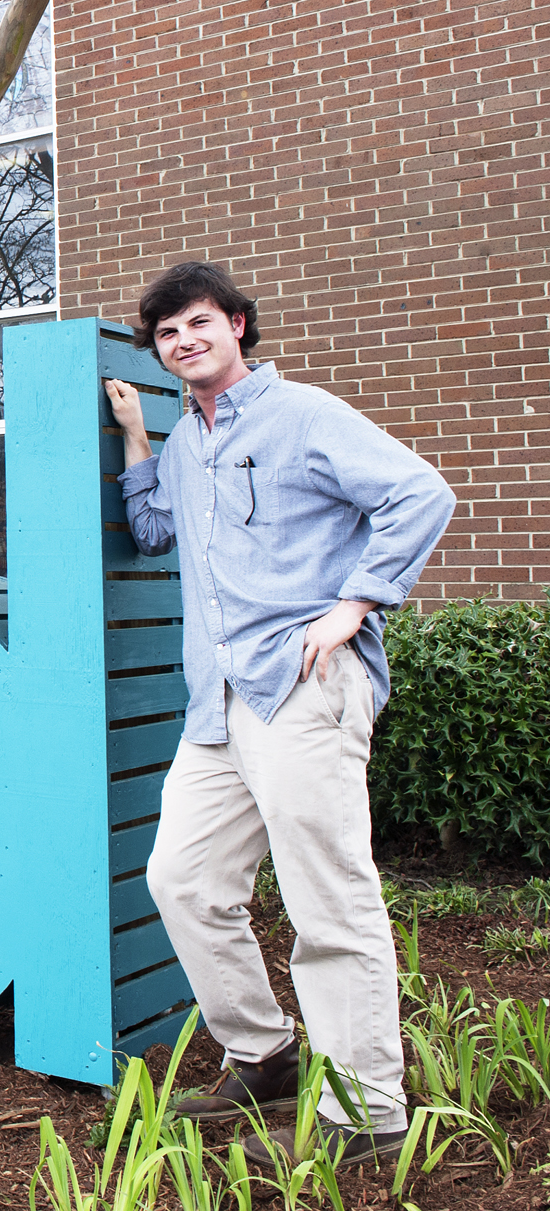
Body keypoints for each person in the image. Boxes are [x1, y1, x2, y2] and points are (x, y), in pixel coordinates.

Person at [104, 261, 454, 1165]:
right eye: (167, 333)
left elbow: (421, 492)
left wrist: (358, 603)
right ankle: (263, 1054)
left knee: (329, 902)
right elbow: (152, 531)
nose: (184, 340)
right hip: (218, 705)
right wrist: (138, 437)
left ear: (239, 326)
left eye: (198, 322)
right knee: (180, 879)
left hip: (302, 687)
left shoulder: (304, 415)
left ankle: (366, 1114)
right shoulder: (185, 444)